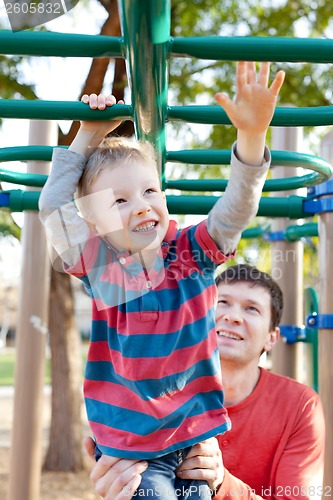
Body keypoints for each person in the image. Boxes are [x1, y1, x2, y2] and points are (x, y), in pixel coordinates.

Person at [39, 62, 285, 499]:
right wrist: (87, 136)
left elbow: (235, 210)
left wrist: (250, 139)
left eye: (150, 191)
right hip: (129, 446)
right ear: (93, 224)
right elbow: (55, 205)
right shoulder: (102, 267)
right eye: (119, 200)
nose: (141, 206)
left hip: (193, 435)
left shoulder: (193, 254)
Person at [85, 264, 325, 500]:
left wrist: (222, 483)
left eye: (252, 309)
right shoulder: (154, 395)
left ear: (272, 338)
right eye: (222, 302)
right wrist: (124, 489)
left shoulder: (300, 406)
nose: (232, 317)